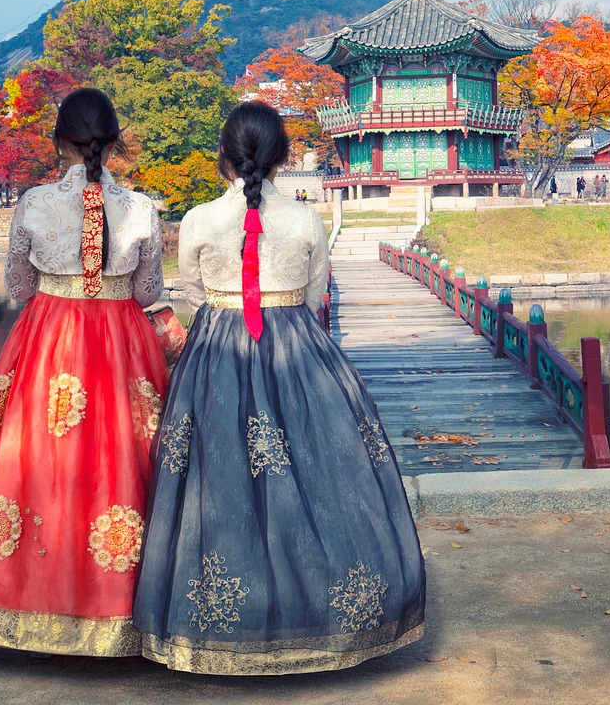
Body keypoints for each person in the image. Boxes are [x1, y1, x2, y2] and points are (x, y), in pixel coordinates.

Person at [135, 101, 424, 674]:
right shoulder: (306, 219)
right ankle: (325, 614)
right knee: (325, 473)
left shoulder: (195, 220)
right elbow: (316, 297)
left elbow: (191, 293)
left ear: (224, 155)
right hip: (298, 351)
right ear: (283, 157)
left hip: (216, 349)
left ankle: (214, 626)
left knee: (213, 481)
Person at [0, 88, 168, 657]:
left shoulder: (33, 203)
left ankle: (20, 597)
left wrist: (61, 289)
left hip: (50, 340)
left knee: (31, 457)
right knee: (123, 458)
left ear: (58, 141)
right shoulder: (141, 207)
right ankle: (123, 609)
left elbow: (17, 289)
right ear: (114, 143)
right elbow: (148, 291)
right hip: (120, 341)